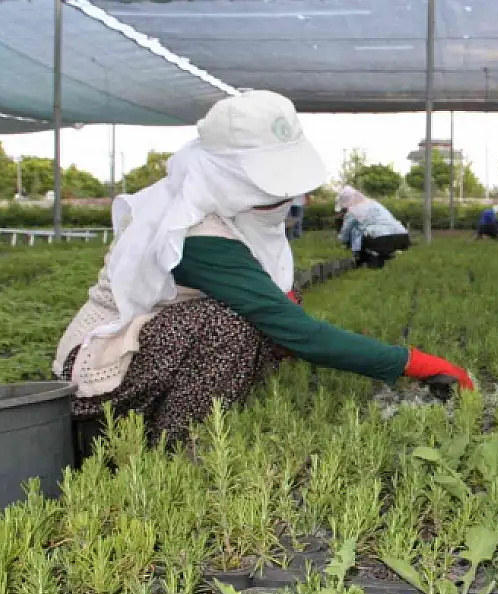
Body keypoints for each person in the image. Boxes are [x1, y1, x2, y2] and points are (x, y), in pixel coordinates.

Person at [52, 90, 473, 450]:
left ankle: (193, 424)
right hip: (99, 370)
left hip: (147, 350)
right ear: (227, 176)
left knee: (274, 307)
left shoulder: (231, 215)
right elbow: (302, 334)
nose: (290, 197)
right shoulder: (194, 234)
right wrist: (415, 363)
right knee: (227, 324)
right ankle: (171, 448)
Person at [335, 186, 411, 268]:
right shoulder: (374, 203)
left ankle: (370, 258)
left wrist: (342, 241)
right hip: (403, 237)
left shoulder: (353, 210)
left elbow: (346, 232)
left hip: (383, 239)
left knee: (356, 231)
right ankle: (386, 254)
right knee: (365, 230)